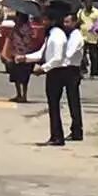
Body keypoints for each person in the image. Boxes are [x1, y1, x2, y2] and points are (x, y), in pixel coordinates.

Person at [19, 12, 69, 146]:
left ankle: (58, 137)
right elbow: (42, 53)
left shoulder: (57, 36)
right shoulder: (51, 35)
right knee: (52, 105)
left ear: (52, 21)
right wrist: (25, 58)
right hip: (52, 72)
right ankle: (55, 135)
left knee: (54, 105)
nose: (42, 23)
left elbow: (58, 58)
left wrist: (43, 68)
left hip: (57, 72)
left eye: (45, 20)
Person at [60, 11, 85, 142]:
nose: (65, 24)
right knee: (71, 101)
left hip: (72, 70)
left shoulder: (76, 36)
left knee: (74, 101)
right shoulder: (70, 35)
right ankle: (75, 129)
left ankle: (77, 130)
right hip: (68, 69)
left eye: (67, 22)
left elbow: (69, 54)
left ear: (74, 22)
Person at [6, 9, 36, 104]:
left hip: (24, 55)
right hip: (15, 54)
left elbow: (28, 41)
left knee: (24, 77)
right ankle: (19, 94)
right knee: (16, 76)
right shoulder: (16, 27)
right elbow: (11, 38)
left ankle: (24, 95)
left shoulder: (27, 28)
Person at [77, 0, 98, 78]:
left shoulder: (96, 12)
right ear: (84, 3)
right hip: (83, 36)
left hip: (93, 37)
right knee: (81, 55)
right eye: (86, 2)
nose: (88, 4)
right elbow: (77, 22)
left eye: (90, 2)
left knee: (94, 55)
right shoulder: (81, 12)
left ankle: (94, 73)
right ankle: (82, 71)